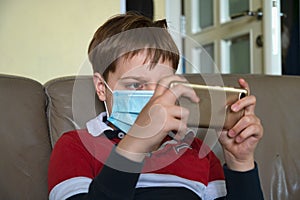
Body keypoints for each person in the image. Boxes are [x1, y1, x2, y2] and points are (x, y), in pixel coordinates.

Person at [48, 12, 264, 200]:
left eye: (163, 86)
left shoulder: (197, 152)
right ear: (101, 87)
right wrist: (136, 143)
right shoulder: (76, 146)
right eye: (136, 85)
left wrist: (240, 163)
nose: (153, 99)